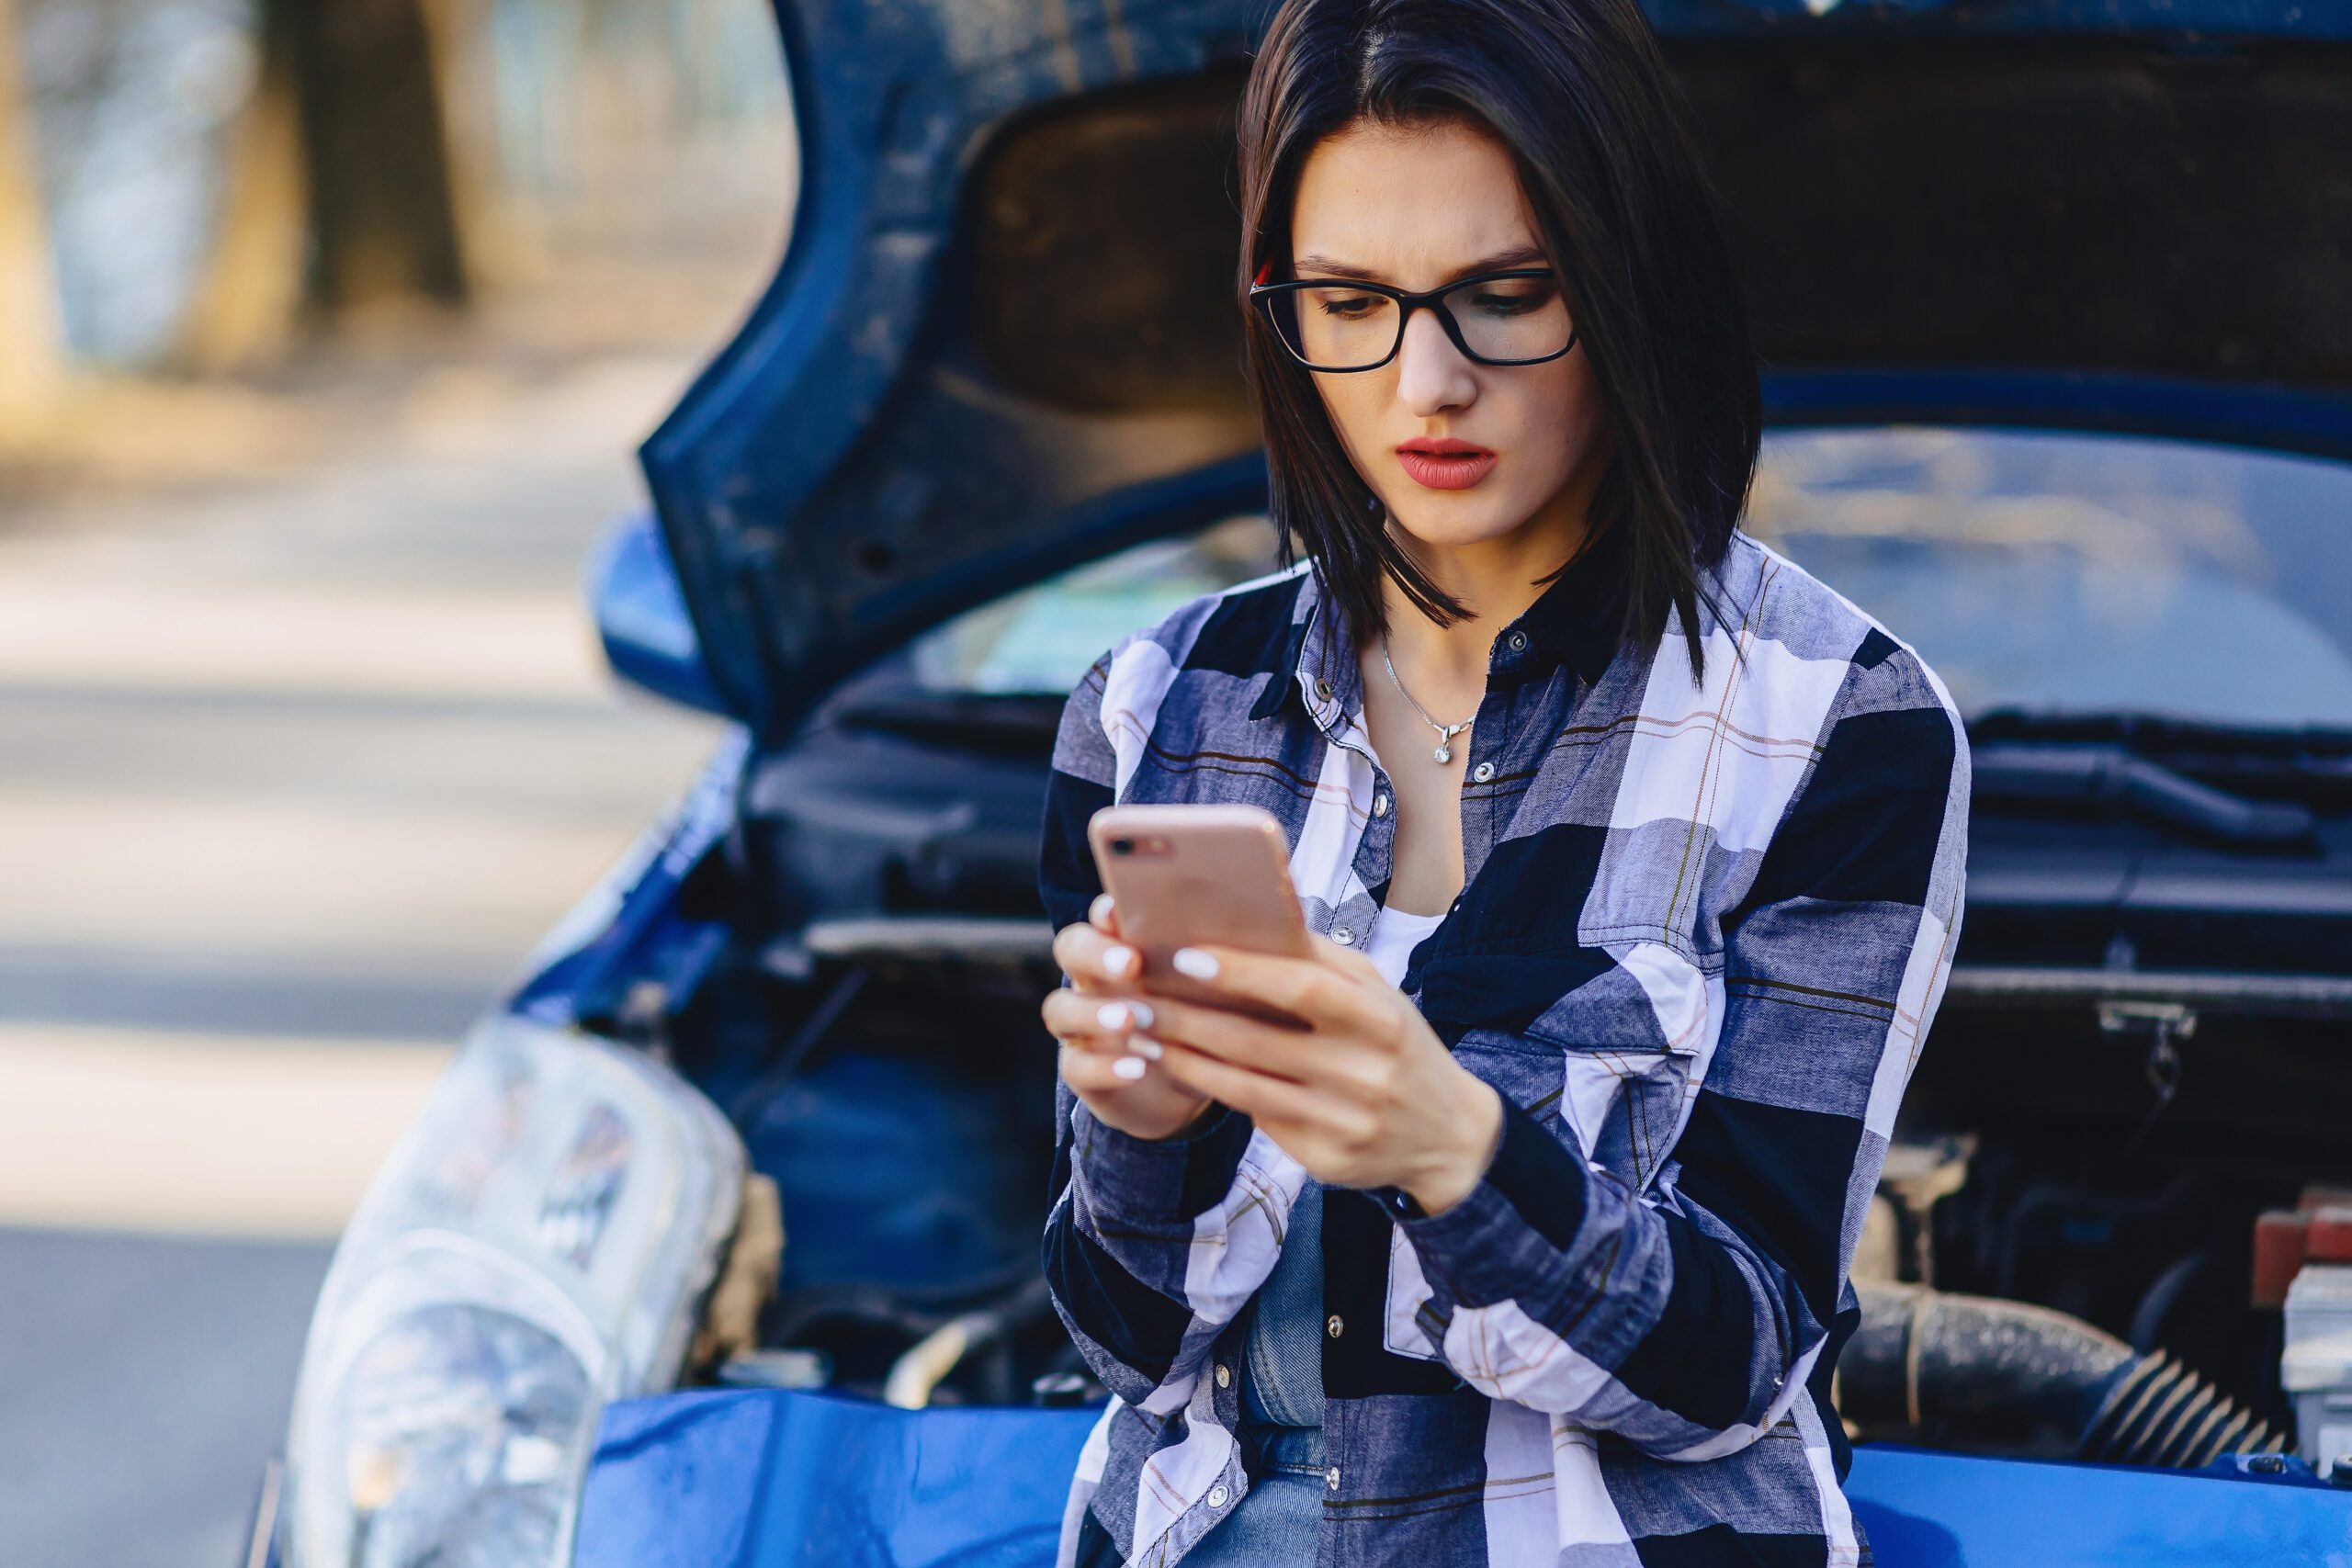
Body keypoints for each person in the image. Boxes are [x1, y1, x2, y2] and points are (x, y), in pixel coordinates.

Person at [1034, 1, 1970, 1562]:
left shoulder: (1838, 723)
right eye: (1349, 302)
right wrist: (1140, 1129)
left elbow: (1737, 1362)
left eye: (1506, 295)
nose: (1426, 383)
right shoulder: (1151, 709)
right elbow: (1129, 1354)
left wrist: (1452, 1152)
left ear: (1627, 286)